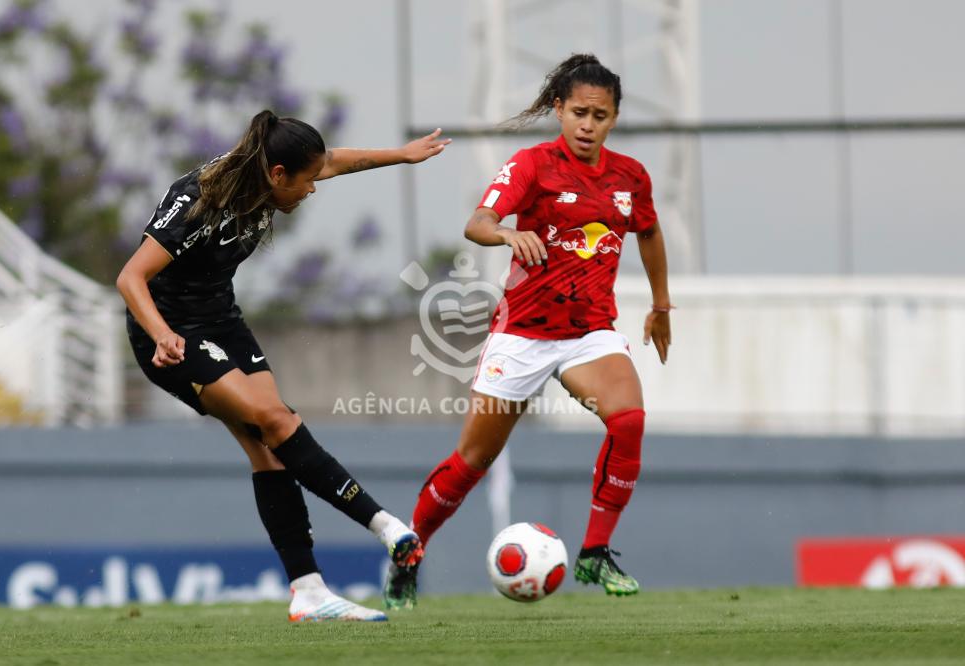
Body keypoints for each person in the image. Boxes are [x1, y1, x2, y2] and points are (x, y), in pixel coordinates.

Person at [116, 109, 451, 622]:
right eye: (306, 181)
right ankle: (387, 527)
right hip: (169, 334)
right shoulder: (198, 201)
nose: (313, 189)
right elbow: (131, 278)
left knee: (269, 448)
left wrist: (402, 156)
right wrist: (162, 336)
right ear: (277, 175)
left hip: (221, 319)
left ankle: (309, 591)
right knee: (274, 421)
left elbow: (338, 160)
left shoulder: (270, 173)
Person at [383, 54, 672, 609]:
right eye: (579, 112)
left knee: (629, 420)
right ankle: (409, 553)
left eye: (601, 115)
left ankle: (594, 553)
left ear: (614, 118)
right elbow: (477, 223)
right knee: (471, 462)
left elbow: (651, 232)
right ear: (559, 110)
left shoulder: (630, 176)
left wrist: (661, 304)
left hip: (589, 333)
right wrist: (507, 237)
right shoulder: (532, 165)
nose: (588, 125)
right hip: (523, 333)